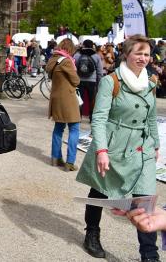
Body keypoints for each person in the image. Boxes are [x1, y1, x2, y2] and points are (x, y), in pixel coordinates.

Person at [76, 34, 159, 261]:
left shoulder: (151, 83)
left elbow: (151, 117)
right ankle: (92, 233)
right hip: (115, 145)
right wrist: (101, 151)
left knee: (145, 200)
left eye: (147, 54)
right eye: (138, 53)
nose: (143, 58)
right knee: (101, 191)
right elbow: (99, 118)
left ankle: (149, 254)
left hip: (142, 148)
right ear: (127, 55)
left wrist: (156, 144)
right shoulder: (111, 81)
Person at [45, 38, 80, 171]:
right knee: (74, 128)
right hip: (68, 99)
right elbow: (76, 81)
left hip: (56, 98)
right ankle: (70, 162)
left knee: (58, 128)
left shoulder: (53, 59)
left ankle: (55, 158)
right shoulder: (66, 61)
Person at [75, 39, 104, 122]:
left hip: (79, 80)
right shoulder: (96, 56)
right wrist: (99, 82)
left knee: (79, 99)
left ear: (83, 45)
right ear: (92, 46)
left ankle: (78, 117)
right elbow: (99, 71)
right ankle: (92, 117)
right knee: (92, 99)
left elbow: (73, 68)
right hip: (92, 81)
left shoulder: (77, 55)